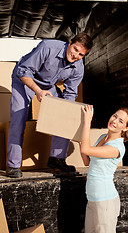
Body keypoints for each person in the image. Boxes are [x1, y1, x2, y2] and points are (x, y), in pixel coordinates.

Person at [6, 32, 93, 178]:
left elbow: (70, 94)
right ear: (70, 42)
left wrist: (67, 114)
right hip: (24, 79)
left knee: (66, 111)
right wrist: (38, 91)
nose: (75, 56)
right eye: (75, 49)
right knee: (19, 117)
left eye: (81, 54)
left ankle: (57, 158)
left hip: (48, 84)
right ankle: (13, 165)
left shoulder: (78, 67)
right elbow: (23, 71)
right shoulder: (48, 47)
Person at [79, 105, 128, 233]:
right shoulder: (103, 138)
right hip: (92, 198)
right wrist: (80, 142)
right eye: (115, 116)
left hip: (105, 202)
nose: (114, 121)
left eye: (121, 121)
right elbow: (88, 161)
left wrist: (87, 121)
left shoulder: (117, 148)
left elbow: (86, 149)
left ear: (126, 128)